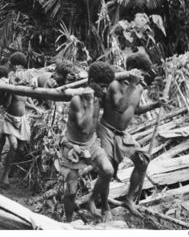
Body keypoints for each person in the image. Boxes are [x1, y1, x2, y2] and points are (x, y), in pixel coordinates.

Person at [95, 52, 165, 220]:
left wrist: (156, 104)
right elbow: (119, 106)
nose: (143, 76)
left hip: (122, 133)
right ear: (133, 70)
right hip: (106, 130)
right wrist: (132, 85)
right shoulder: (115, 84)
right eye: (142, 72)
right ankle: (104, 207)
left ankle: (128, 200)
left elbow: (135, 108)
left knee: (143, 161)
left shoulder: (139, 87)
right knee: (108, 170)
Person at [57, 61, 116, 222]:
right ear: (91, 83)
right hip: (72, 148)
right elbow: (84, 127)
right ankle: (68, 222)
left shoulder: (100, 97)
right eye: (102, 86)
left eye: (106, 87)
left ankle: (95, 202)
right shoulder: (77, 100)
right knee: (70, 191)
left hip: (91, 144)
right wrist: (90, 101)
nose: (104, 90)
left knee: (108, 170)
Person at [0, 52, 39, 187]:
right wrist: (23, 82)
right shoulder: (11, 79)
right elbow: (11, 92)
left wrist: (35, 108)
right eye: (17, 67)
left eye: (21, 67)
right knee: (14, 145)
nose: (19, 70)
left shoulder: (25, 83)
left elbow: (24, 102)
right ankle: (4, 175)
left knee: (21, 149)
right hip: (10, 119)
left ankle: (10, 170)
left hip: (21, 120)